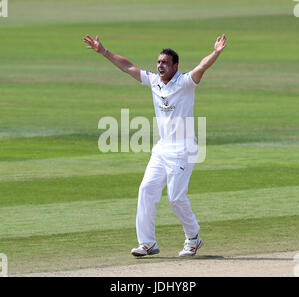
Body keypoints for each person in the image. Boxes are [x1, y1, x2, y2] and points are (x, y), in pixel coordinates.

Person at [83, 33, 227, 257]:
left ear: (175, 66)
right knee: (146, 190)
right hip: (162, 149)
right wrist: (104, 51)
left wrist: (216, 52)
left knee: (176, 198)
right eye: (158, 62)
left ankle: (193, 238)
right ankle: (147, 243)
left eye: (165, 63)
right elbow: (128, 67)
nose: (160, 66)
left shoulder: (186, 82)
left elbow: (201, 66)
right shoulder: (154, 81)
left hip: (184, 149)